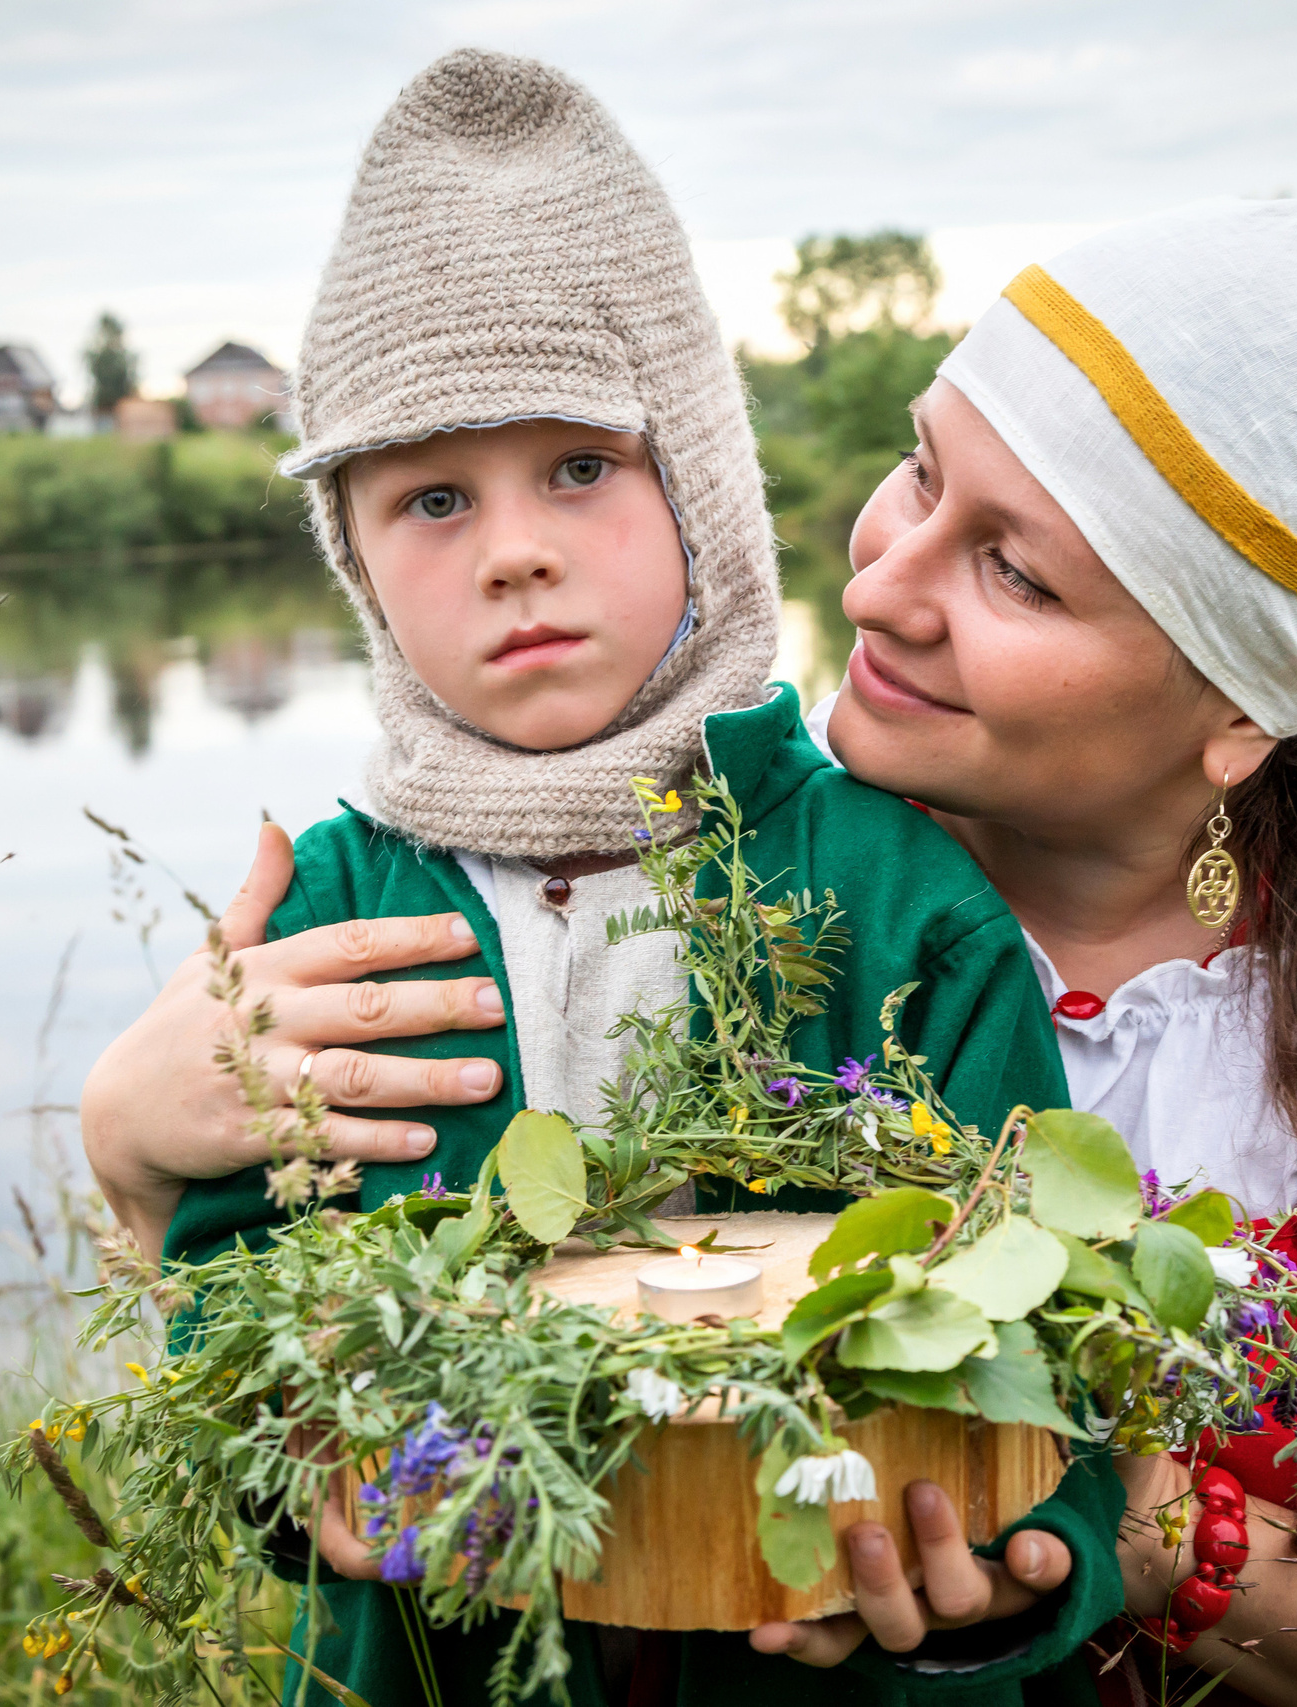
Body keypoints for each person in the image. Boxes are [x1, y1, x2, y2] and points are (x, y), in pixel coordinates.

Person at [86, 191, 1297, 1705]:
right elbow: (387, 1312)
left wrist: (1125, 1525)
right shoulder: (693, 858)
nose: (880, 587)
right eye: (922, 474)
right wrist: (139, 1166)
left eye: (1014, 572)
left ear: (1246, 708)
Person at [104, 49, 1124, 1707]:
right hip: (443, 1658)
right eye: (431, 496)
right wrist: (298, 1469)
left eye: (579, 467)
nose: (514, 546)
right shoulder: (325, 923)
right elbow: (234, 1286)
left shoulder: (889, 893)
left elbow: (1062, 1347)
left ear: (701, 490)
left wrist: (1010, 1586)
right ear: (357, 565)